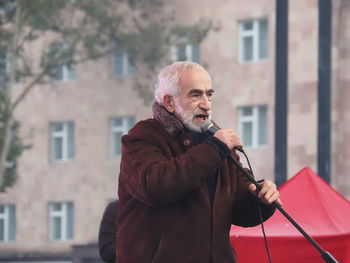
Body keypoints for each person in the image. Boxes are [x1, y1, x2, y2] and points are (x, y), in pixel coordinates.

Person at [116, 61, 281, 263]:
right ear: (169, 102)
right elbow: (155, 186)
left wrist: (260, 197)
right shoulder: (143, 137)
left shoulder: (217, 144)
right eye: (196, 95)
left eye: (209, 94)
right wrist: (214, 148)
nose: (206, 103)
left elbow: (239, 211)